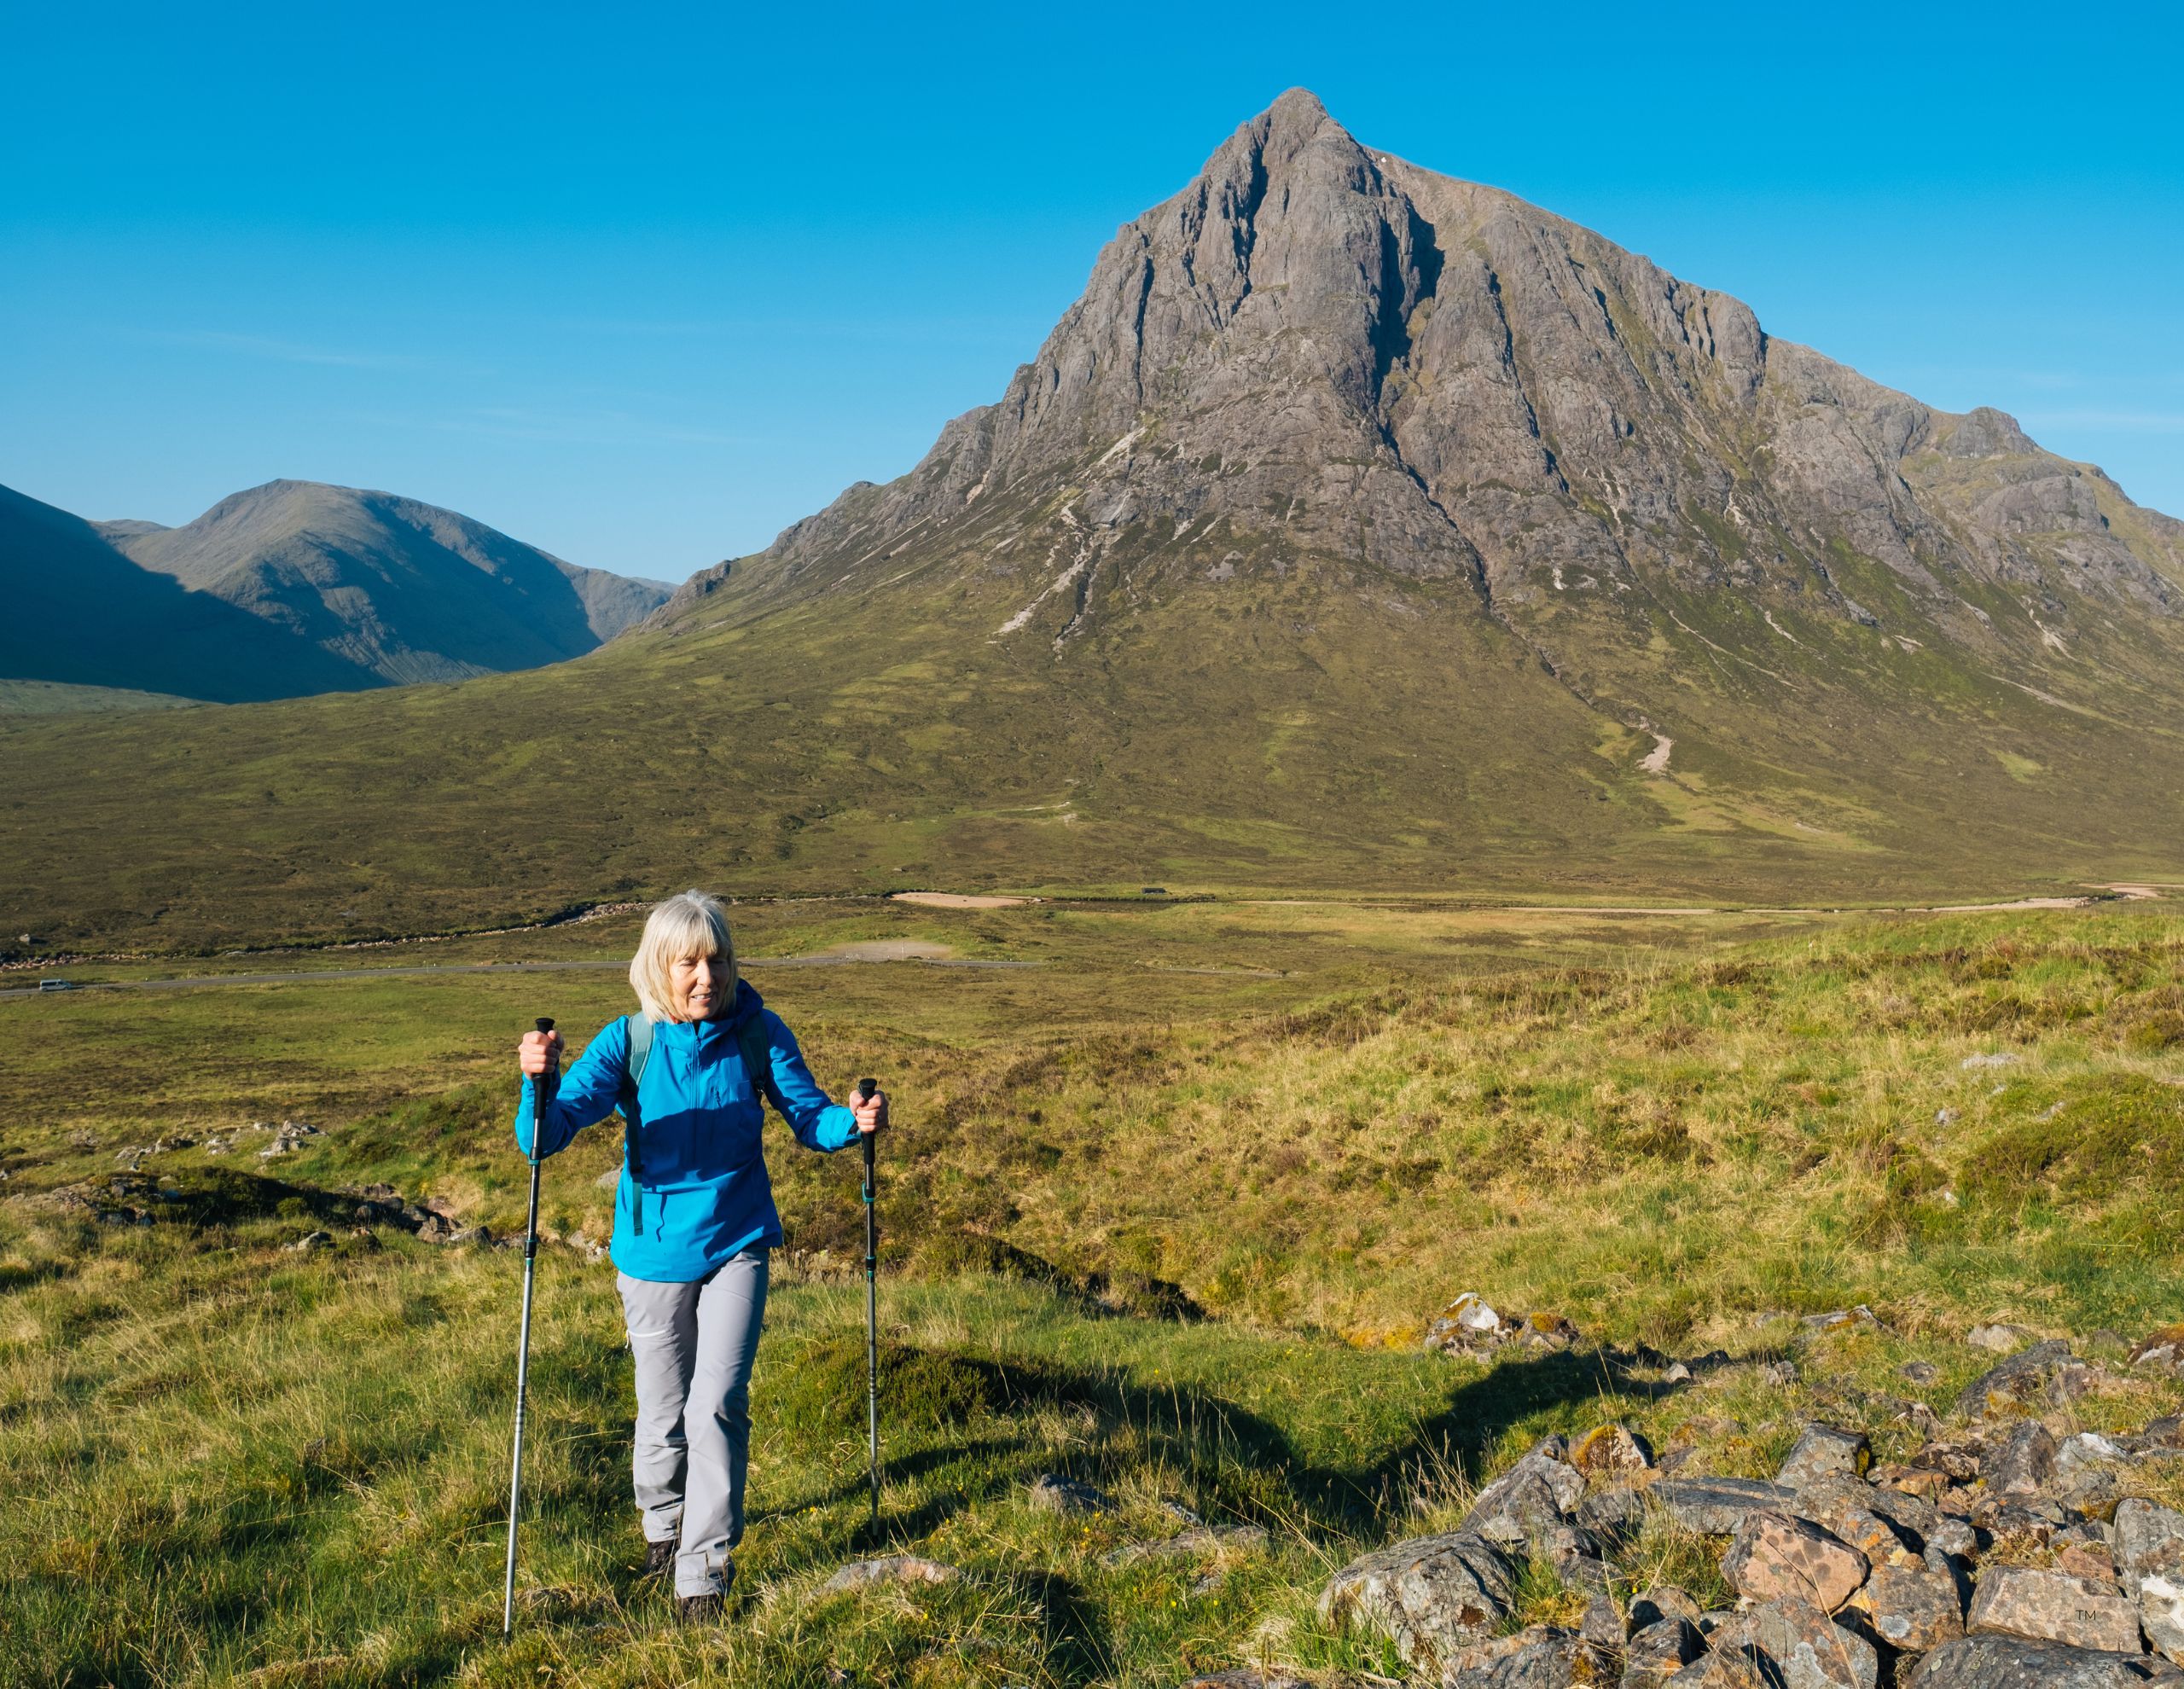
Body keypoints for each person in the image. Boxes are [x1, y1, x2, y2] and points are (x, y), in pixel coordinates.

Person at [514, 889, 885, 1624]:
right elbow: (545, 1137)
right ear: (659, 966)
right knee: (662, 1412)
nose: (705, 977)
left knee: (716, 1405)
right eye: (688, 962)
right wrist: (537, 1083)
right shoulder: (630, 1043)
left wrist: (854, 1123)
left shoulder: (758, 1032)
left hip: (738, 1242)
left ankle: (702, 1572)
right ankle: (662, 1523)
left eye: (715, 959)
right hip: (651, 1252)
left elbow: (809, 1118)